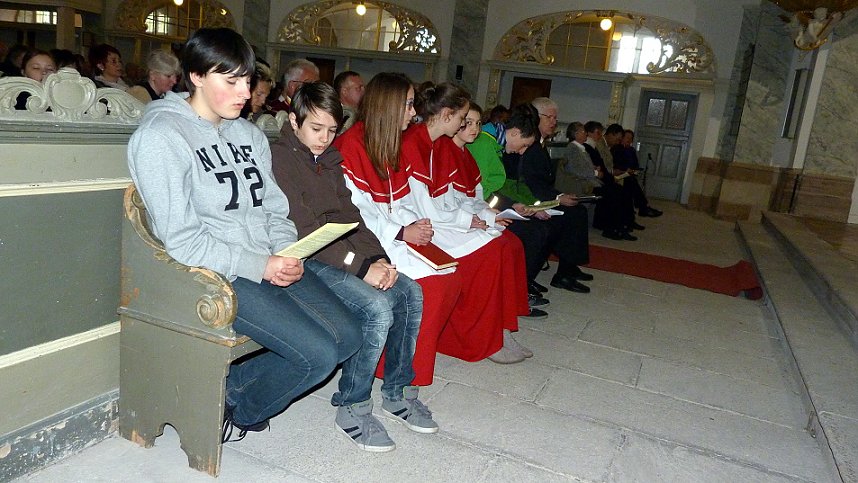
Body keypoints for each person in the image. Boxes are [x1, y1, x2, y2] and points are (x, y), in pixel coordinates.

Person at [127, 27, 362, 443]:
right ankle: (240, 406)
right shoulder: (161, 136)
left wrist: (284, 252)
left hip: (268, 260)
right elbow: (182, 240)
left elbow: (274, 208)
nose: (243, 92)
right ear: (196, 76)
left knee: (349, 335)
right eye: (231, 80)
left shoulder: (248, 134)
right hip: (217, 272)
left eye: (248, 80)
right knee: (318, 356)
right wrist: (260, 264)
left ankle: (233, 386)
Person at [271, 81, 436, 452]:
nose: (324, 138)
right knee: (377, 308)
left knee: (410, 291)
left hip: (338, 254)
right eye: (316, 128)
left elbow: (354, 220)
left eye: (332, 130)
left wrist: (379, 258)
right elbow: (307, 234)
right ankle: (353, 405)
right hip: (305, 261)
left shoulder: (327, 161)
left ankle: (396, 391)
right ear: (294, 122)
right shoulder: (281, 158)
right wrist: (361, 268)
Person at [334, 72, 464, 384]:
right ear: (389, 106)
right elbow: (356, 212)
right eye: (407, 105)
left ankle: (412, 357)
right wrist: (401, 232)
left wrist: (412, 223)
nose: (413, 112)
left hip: (391, 231)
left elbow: (399, 197)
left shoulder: (387, 142)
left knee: (450, 273)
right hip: (363, 242)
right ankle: (399, 371)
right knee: (430, 284)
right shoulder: (351, 146)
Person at [403, 82, 533, 364]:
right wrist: (469, 220)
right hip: (426, 226)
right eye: (464, 119)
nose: (467, 126)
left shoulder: (440, 146)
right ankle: (482, 339)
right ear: (447, 115)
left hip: (444, 220)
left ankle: (500, 328)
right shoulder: (417, 143)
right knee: (491, 252)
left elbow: (459, 197)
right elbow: (426, 207)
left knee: (503, 243)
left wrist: (485, 217)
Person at [454, 102, 551, 310]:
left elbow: (489, 186)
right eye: (524, 145)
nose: (522, 152)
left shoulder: (492, 143)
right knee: (526, 235)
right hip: (472, 210)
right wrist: (501, 209)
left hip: (481, 206)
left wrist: (521, 204)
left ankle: (518, 290)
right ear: (514, 132)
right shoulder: (483, 144)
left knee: (535, 231)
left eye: (478, 123)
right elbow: (475, 189)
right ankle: (515, 295)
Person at [512, 98, 593, 293]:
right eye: (550, 117)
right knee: (570, 216)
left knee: (577, 211)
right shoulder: (528, 145)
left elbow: (542, 182)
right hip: (532, 199)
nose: (554, 122)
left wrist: (560, 195)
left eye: (556, 118)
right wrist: (557, 199)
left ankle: (568, 267)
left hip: (540, 196)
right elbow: (530, 183)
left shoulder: (538, 143)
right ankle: (562, 273)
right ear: (536, 117)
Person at [559, 122, 637, 241]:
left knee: (617, 190)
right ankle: (612, 228)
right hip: (581, 184)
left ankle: (619, 226)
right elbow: (577, 170)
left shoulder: (580, 148)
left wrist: (595, 169)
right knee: (613, 192)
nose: (586, 134)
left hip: (589, 181)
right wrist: (596, 172)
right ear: (576, 134)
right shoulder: (573, 148)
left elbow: (584, 166)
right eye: (583, 131)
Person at [609, 127, 663, 218]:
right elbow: (616, 164)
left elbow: (635, 164)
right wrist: (627, 169)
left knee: (631, 181)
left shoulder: (632, 150)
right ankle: (643, 208)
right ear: (622, 138)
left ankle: (641, 208)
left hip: (628, 174)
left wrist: (633, 170)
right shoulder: (616, 149)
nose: (629, 140)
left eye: (631, 138)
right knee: (631, 182)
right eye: (627, 137)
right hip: (619, 174)